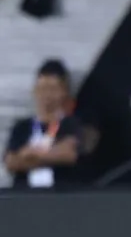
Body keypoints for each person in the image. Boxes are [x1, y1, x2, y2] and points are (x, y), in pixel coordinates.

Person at [4, 60, 83, 189]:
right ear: (35, 90)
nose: (46, 95)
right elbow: (11, 162)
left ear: (63, 91)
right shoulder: (21, 127)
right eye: (42, 88)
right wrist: (50, 156)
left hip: (60, 199)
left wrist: (29, 155)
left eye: (52, 89)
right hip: (25, 199)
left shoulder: (71, 124)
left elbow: (68, 154)